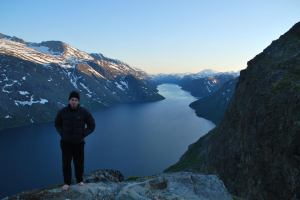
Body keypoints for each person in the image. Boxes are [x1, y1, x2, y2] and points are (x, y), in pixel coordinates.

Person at [54, 90, 96, 191]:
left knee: (79, 162)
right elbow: (57, 124)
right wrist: (62, 134)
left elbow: (92, 125)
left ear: (78, 101)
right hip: (66, 143)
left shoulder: (84, 112)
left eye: (76, 100)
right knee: (66, 163)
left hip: (79, 143)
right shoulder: (63, 112)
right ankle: (67, 183)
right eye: (72, 99)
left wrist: (83, 134)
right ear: (69, 101)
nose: (73, 101)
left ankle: (79, 180)